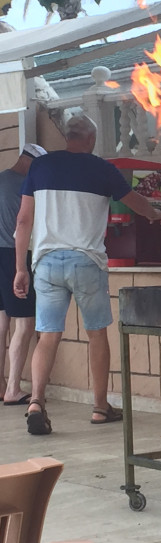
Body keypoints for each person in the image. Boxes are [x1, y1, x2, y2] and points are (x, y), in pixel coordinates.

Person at [13, 114, 161, 435]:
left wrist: (20, 268)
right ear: (91, 140)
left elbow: (23, 221)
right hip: (86, 262)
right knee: (96, 334)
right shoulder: (103, 169)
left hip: (47, 262)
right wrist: (155, 213)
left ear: (67, 136)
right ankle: (99, 407)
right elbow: (135, 202)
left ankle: (37, 402)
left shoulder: (40, 166)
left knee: (47, 335)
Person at [0, 144, 47, 405]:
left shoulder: (1, 179)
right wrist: (22, 267)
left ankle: (1, 385)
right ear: (31, 162)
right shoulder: (26, 186)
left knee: (1, 321)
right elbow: (25, 222)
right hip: (14, 255)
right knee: (25, 322)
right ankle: (13, 389)